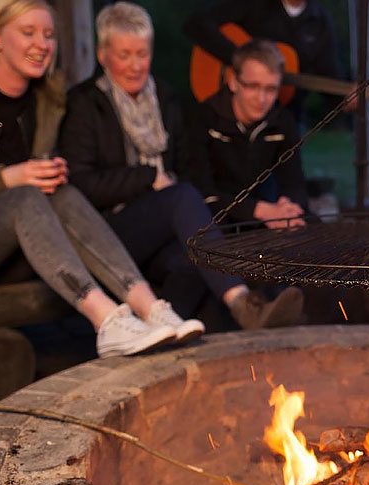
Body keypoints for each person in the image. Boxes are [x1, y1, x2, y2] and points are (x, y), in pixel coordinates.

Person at [0, 0, 204, 358]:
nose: (42, 44)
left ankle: (150, 308)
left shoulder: (47, 99)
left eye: (48, 34)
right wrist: (8, 178)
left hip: (17, 251)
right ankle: (106, 321)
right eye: (27, 32)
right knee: (27, 195)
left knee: (58, 190)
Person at [58, 2, 304, 331]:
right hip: (110, 230)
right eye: (124, 55)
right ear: (104, 56)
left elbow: (189, 170)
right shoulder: (85, 103)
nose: (135, 66)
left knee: (195, 259)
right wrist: (147, 179)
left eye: (142, 54)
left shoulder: (166, 98)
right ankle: (243, 304)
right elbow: (81, 184)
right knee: (183, 197)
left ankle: (165, 336)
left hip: (166, 227)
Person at [189, 39, 309, 228]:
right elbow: (201, 191)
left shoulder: (282, 121)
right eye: (253, 86)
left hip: (267, 218)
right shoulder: (205, 118)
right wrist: (259, 210)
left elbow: (295, 182)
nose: (261, 99)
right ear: (233, 82)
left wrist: (289, 204)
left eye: (271, 89)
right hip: (214, 221)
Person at [182, 0, 342, 124]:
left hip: (286, 118)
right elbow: (196, 24)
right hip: (231, 113)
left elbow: (329, 73)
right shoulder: (254, 4)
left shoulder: (320, 21)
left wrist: (344, 100)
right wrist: (240, 60)